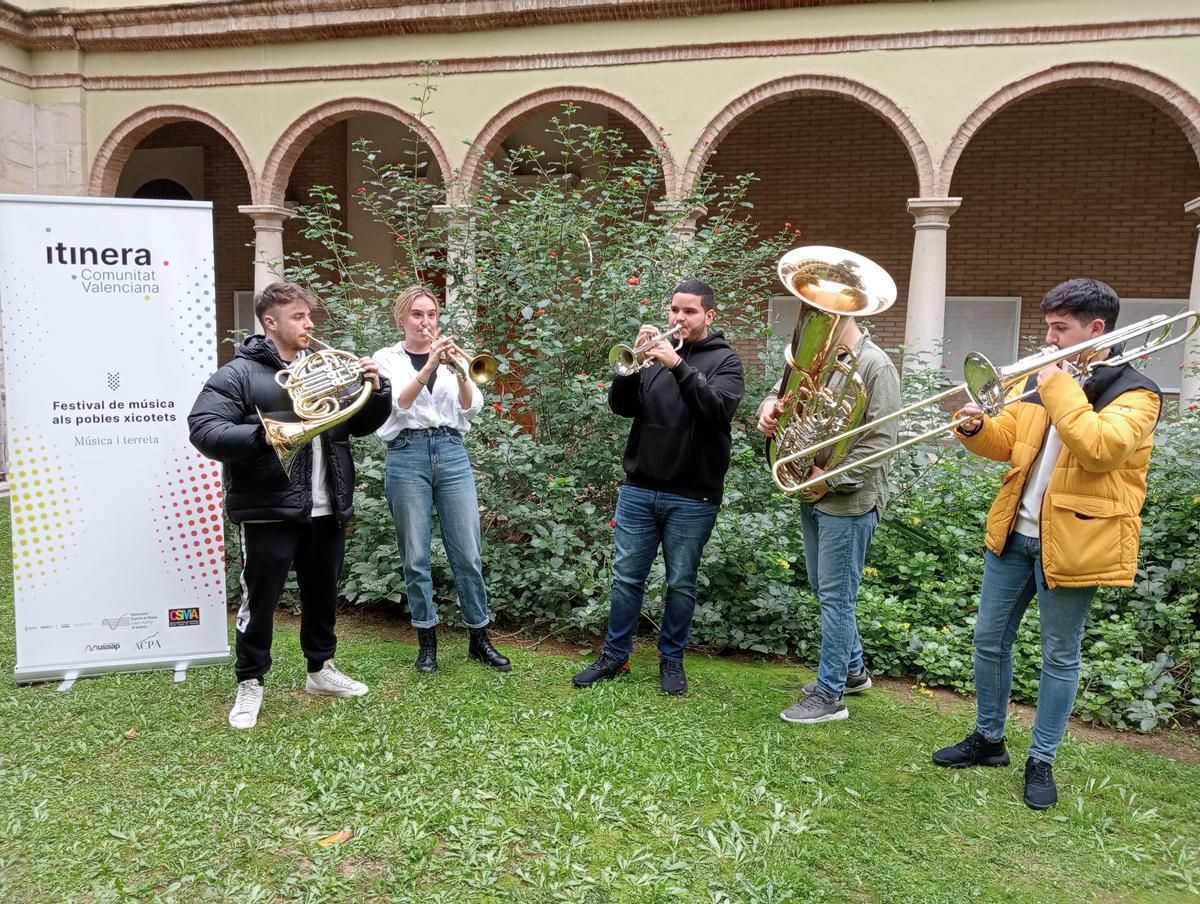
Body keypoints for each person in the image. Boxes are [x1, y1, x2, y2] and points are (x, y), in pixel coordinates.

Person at [931, 278, 1162, 810]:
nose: (1050, 338)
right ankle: (989, 740)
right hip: (1015, 532)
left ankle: (1043, 759)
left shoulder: (1137, 392)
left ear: (1095, 329)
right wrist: (973, 427)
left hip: (1078, 540)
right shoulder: (1042, 384)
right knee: (989, 639)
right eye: (1050, 326)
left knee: (1059, 655)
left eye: (1061, 328)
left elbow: (1099, 447)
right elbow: (1007, 442)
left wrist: (1056, 385)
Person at [188, 280, 392, 730]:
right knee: (260, 600)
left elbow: (360, 426)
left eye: (309, 315)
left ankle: (321, 670)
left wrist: (377, 391)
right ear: (270, 322)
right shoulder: (237, 375)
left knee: (322, 595)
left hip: (327, 502)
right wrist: (265, 434)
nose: (309, 324)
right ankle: (250, 681)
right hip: (268, 507)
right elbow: (203, 429)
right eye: (299, 317)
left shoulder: (325, 369)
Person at [572, 280, 744, 695]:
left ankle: (672, 660)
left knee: (680, 582)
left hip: (693, 495)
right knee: (627, 578)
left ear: (709, 316)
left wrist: (677, 366)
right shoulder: (652, 359)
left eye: (689, 312)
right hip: (639, 488)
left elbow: (715, 411)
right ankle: (615, 656)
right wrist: (632, 369)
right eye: (674, 310)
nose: (678, 319)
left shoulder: (726, 362)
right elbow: (622, 407)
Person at [757, 314, 901, 724]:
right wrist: (769, 407)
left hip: (848, 500)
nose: (813, 320)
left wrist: (832, 478)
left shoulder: (876, 365)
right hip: (811, 488)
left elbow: (881, 439)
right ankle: (853, 672)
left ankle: (830, 694)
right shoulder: (819, 358)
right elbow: (780, 391)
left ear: (848, 313)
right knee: (824, 588)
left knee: (837, 598)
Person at [372, 285, 510, 675]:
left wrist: (459, 370)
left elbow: (471, 406)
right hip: (407, 452)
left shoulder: (452, 360)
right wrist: (430, 365)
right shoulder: (386, 359)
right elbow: (399, 401)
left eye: (431, 314)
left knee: (468, 552)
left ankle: (479, 639)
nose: (426, 322)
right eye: (417, 314)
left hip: (451, 451)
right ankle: (426, 642)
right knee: (416, 555)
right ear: (402, 318)